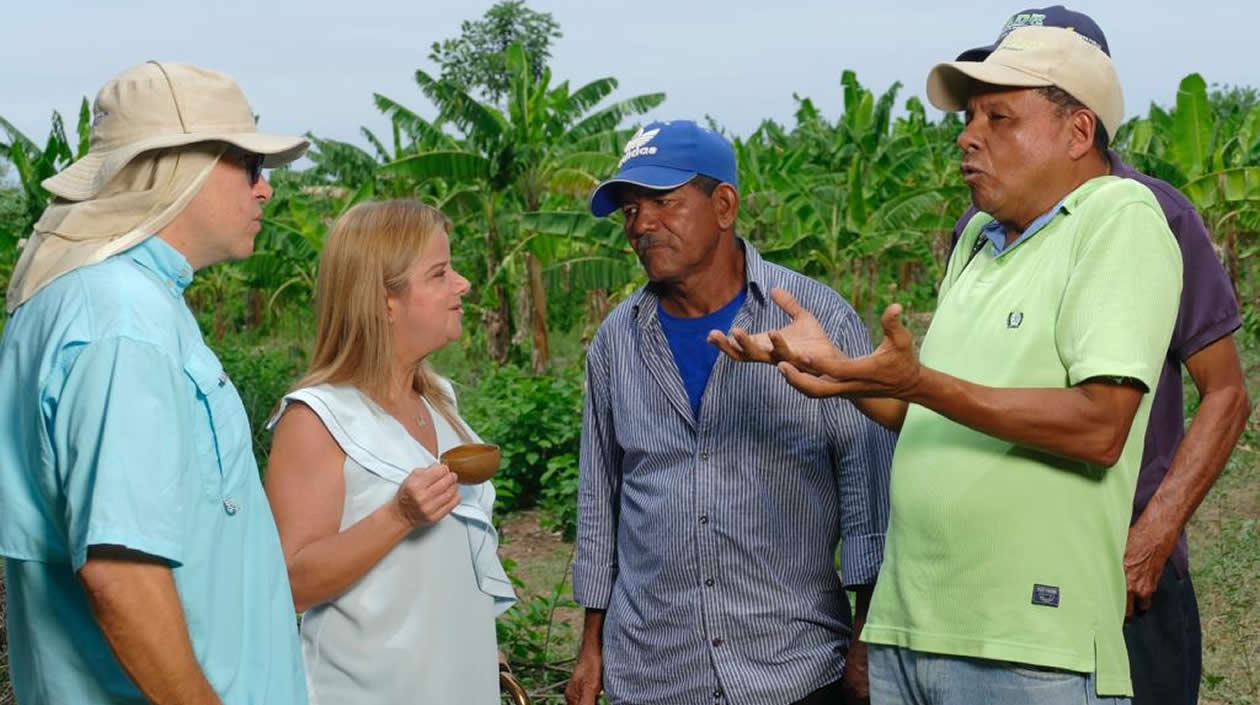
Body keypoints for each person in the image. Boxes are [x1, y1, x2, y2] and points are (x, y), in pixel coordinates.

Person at [712, 26, 1184, 704]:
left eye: (999, 117)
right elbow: (929, 412)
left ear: (1079, 131)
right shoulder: (979, 241)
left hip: (1025, 646)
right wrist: (845, 376)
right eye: (967, 119)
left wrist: (919, 380)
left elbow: (1100, 426)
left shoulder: (1118, 218)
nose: (968, 137)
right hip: (914, 629)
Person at [947, 9, 1251, 705]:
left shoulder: (1157, 214)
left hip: (1119, 574)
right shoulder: (978, 229)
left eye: (1007, 105)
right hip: (995, 579)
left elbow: (1226, 392)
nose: (974, 134)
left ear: (1080, 115)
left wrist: (1150, 538)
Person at [0, 62, 309, 704]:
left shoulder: (97, 301)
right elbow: (120, 573)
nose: (265, 191)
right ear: (180, 169)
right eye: (250, 166)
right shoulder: (122, 320)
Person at [566, 119, 896, 705]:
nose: (642, 225)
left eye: (663, 203)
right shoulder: (617, 342)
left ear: (723, 205)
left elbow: (868, 494)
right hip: (652, 674)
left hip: (792, 669)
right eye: (630, 210)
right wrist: (591, 651)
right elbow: (601, 500)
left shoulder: (815, 319)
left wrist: (866, 646)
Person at [264, 200, 516, 705]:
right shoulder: (316, 420)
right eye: (441, 273)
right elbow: (288, 584)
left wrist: (488, 653)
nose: (463, 284)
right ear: (384, 300)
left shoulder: (441, 404)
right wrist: (398, 516)